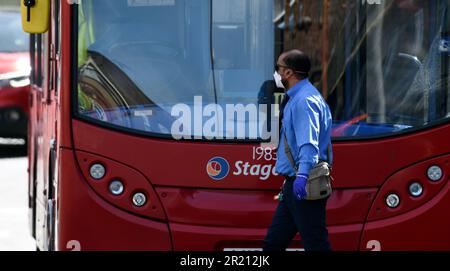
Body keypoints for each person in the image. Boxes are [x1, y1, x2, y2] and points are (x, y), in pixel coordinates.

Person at [263, 49, 333, 251]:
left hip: (305, 183)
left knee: (315, 243)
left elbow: (308, 144)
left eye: (278, 68)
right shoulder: (302, 96)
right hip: (293, 185)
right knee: (274, 243)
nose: (276, 73)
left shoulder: (304, 101)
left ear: (288, 73)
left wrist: (302, 176)